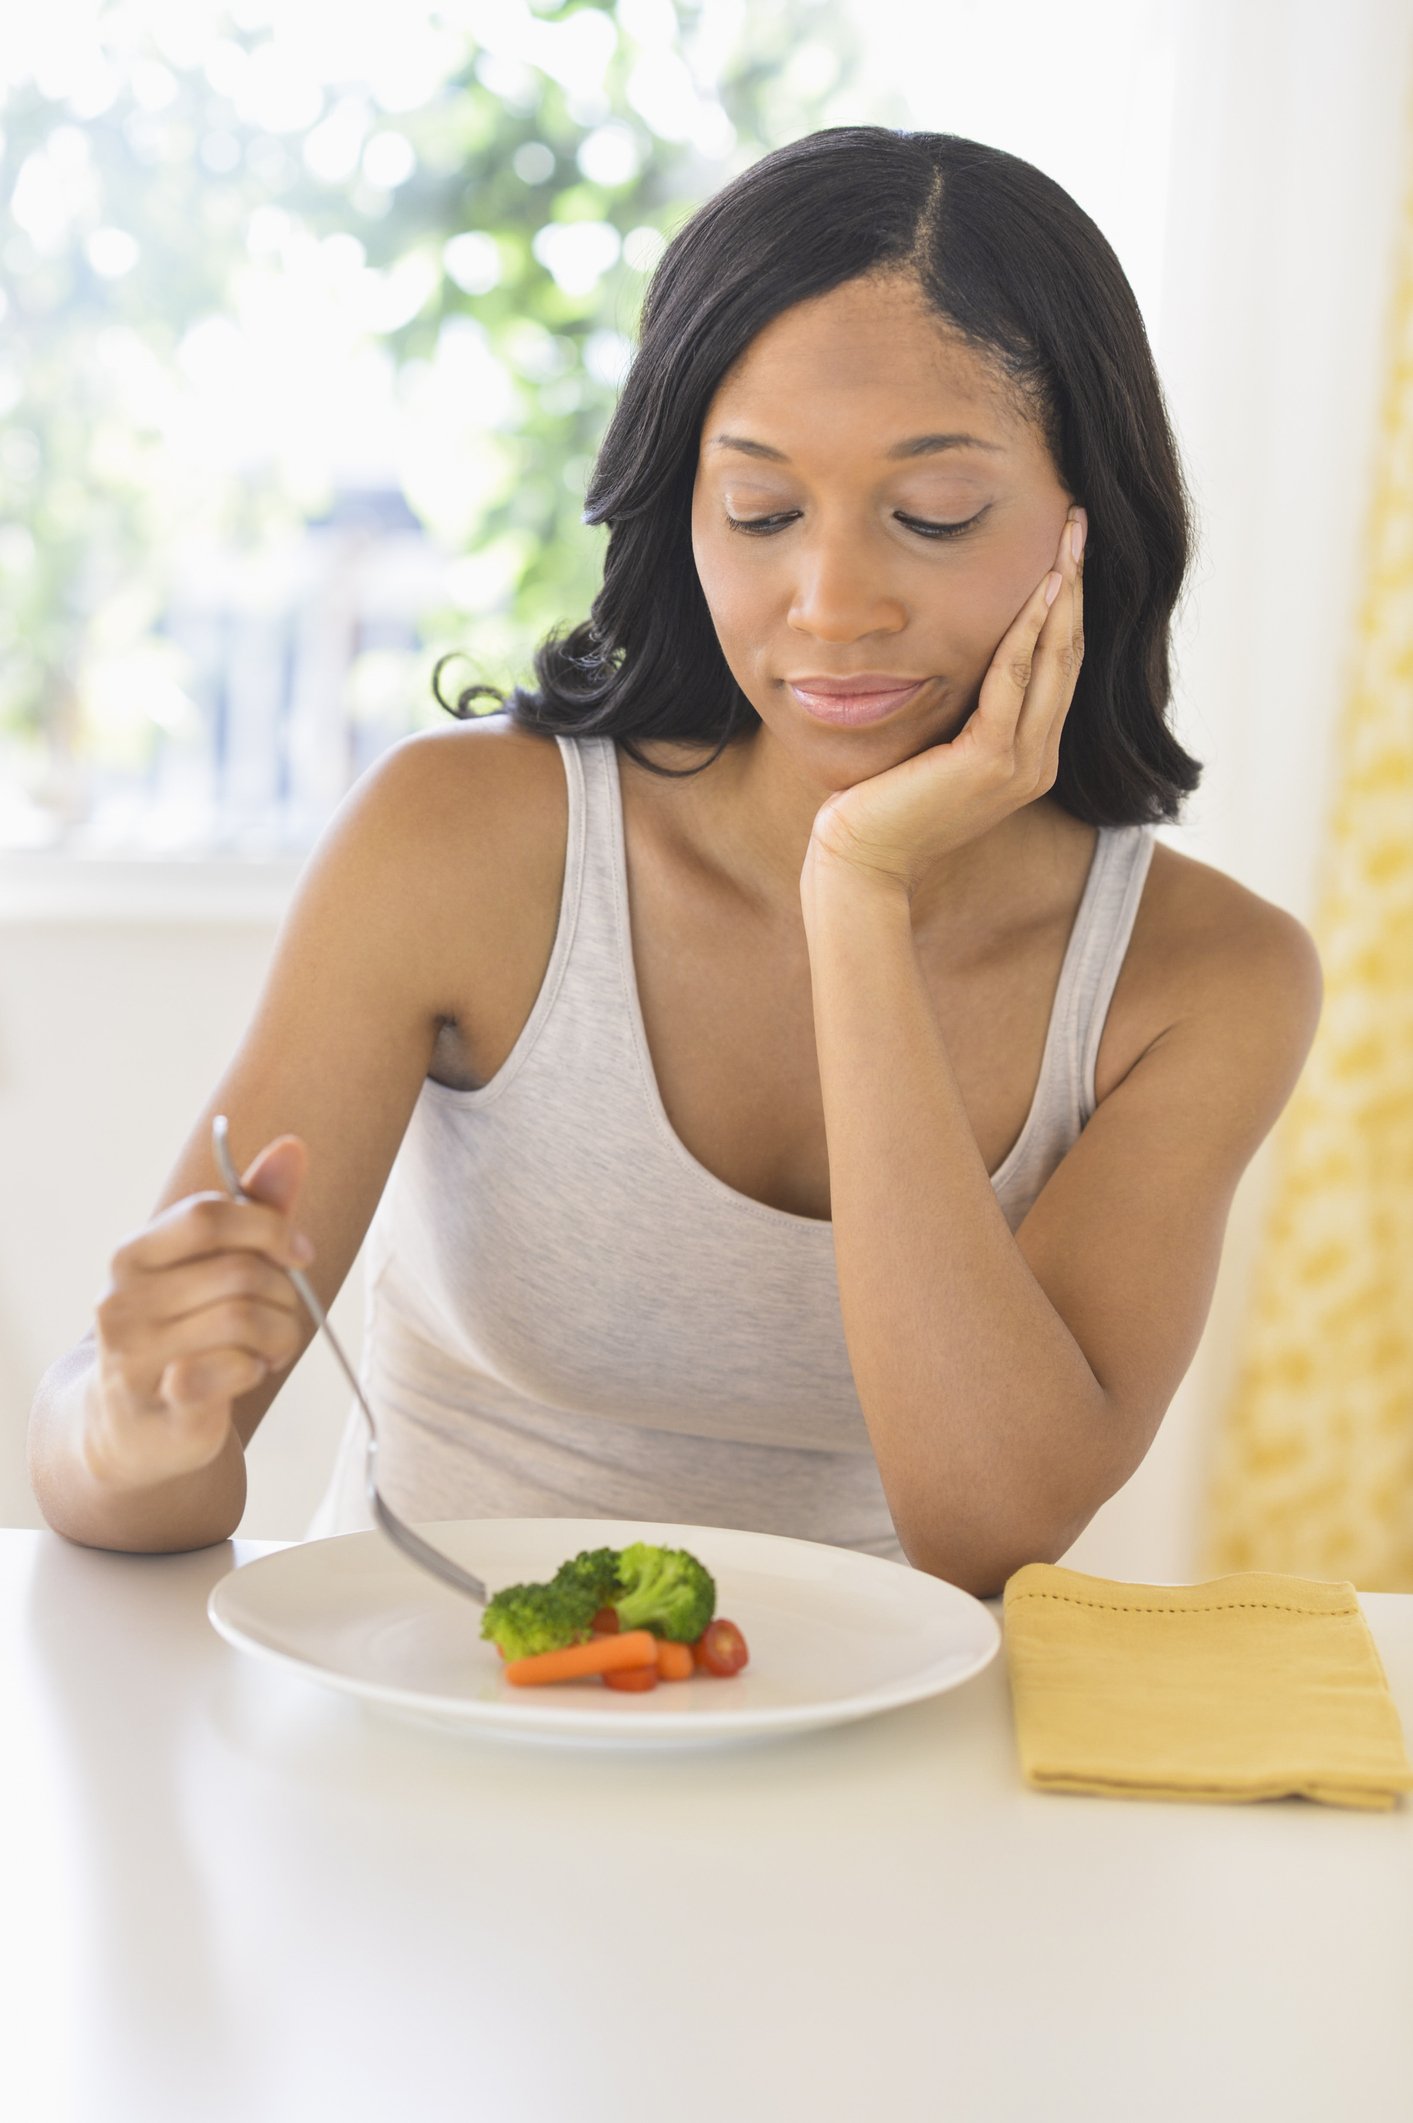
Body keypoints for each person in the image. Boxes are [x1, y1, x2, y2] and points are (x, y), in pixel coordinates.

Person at [28, 127, 1322, 1598]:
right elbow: (122, 1489)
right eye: (759, 512)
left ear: (1090, 529)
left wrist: (856, 899)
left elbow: (989, 1525)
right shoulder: (460, 843)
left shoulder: (1199, 980)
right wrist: (132, 1422)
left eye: (934, 515)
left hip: (877, 1775)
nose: (830, 606)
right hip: (435, 1720)